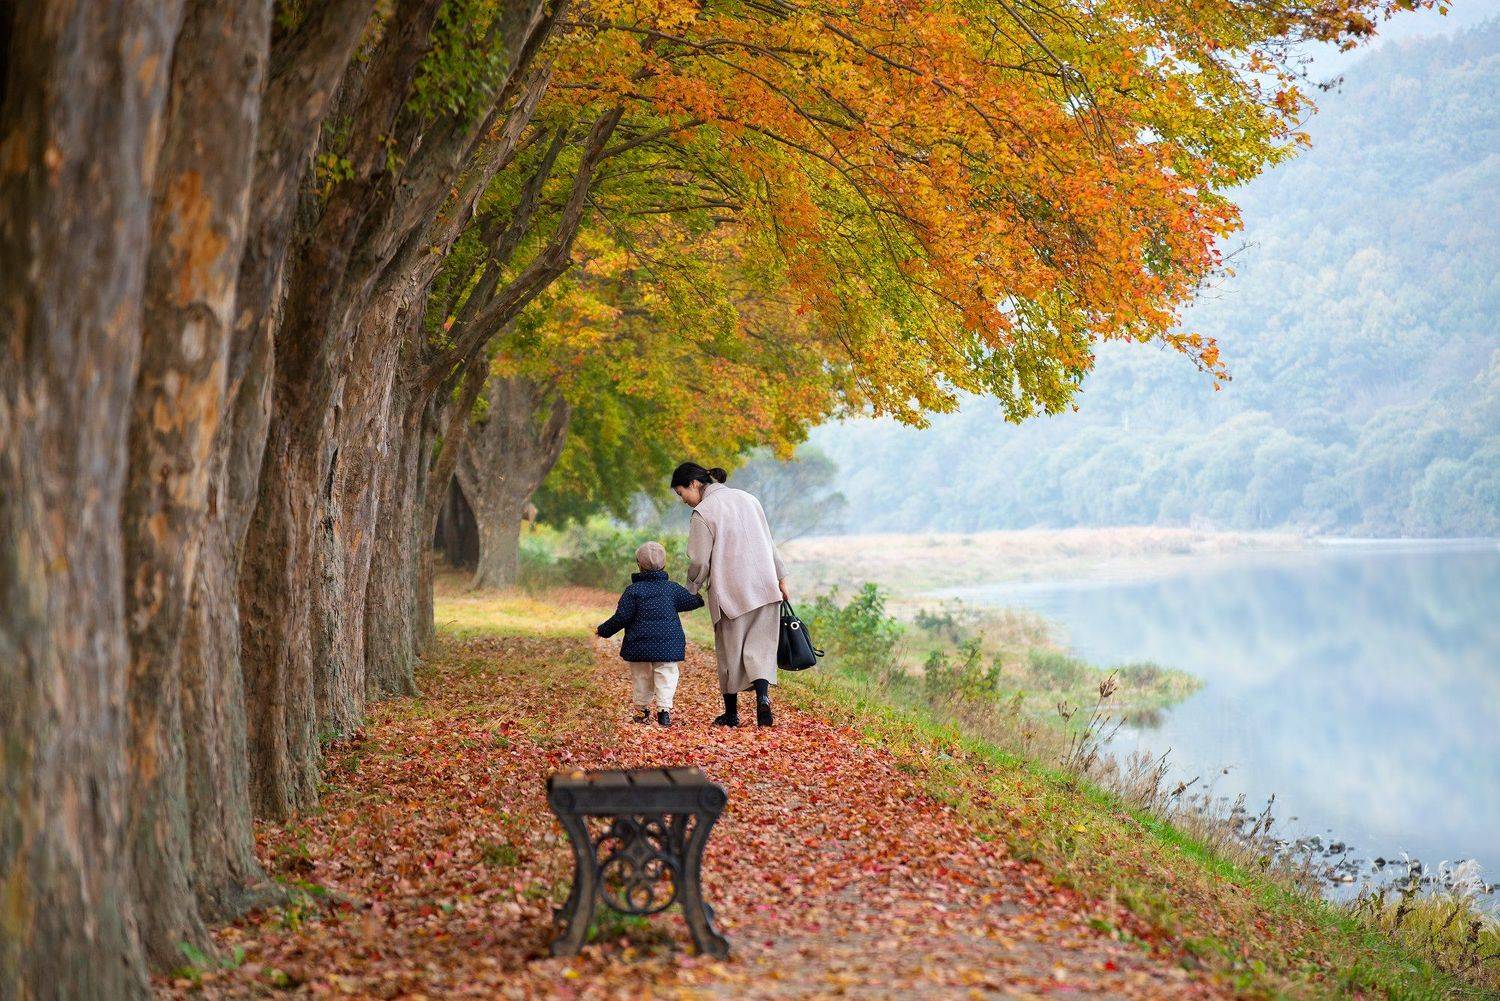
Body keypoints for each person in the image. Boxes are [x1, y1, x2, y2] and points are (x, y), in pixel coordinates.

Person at [672, 461, 789, 727]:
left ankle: (732, 714)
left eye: (681, 493)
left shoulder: (703, 511)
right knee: (759, 649)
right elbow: (770, 543)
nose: (684, 501)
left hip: (731, 591)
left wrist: (691, 591)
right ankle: (763, 699)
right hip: (765, 585)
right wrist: (781, 579)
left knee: (729, 652)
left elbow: (700, 561)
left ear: (693, 483)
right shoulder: (750, 499)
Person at [596, 541, 704, 727]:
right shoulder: (672, 589)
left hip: (639, 644)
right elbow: (692, 602)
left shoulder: (633, 591)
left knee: (641, 676)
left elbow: (621, 617)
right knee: (667, 674)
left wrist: (603, 630)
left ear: (638, 565)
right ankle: (664, 711)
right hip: (668, 645)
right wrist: (699, 597)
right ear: (664, 565)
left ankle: (642, 710)